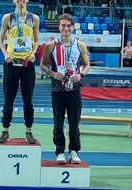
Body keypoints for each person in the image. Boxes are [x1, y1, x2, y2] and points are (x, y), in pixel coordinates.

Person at [40, 13, 91, 164]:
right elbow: (42, 64)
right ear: (59, 26)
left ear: (73, 27)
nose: (66, 28)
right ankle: (59, 151)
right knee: (58, 122)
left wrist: (81, 75)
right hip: (57, 89)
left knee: (75, 122)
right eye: (63, 25)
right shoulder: (51, 45)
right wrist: (51, 73)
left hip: (74, 89)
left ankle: (74, 151)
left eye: (68, 26)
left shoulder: (79, 45)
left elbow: (87, 65)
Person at [0, 0, 40, 144]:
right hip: (11, 63)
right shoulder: (7, 18)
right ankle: (5, 130)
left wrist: (34, 52)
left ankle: (28, 131)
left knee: (28, 99)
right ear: (14, 1)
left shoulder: (34, 18)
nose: (20, 1)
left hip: (28, 63)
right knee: (8, 98)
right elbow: (0, 40)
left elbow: (36, 41)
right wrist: (5, 55)